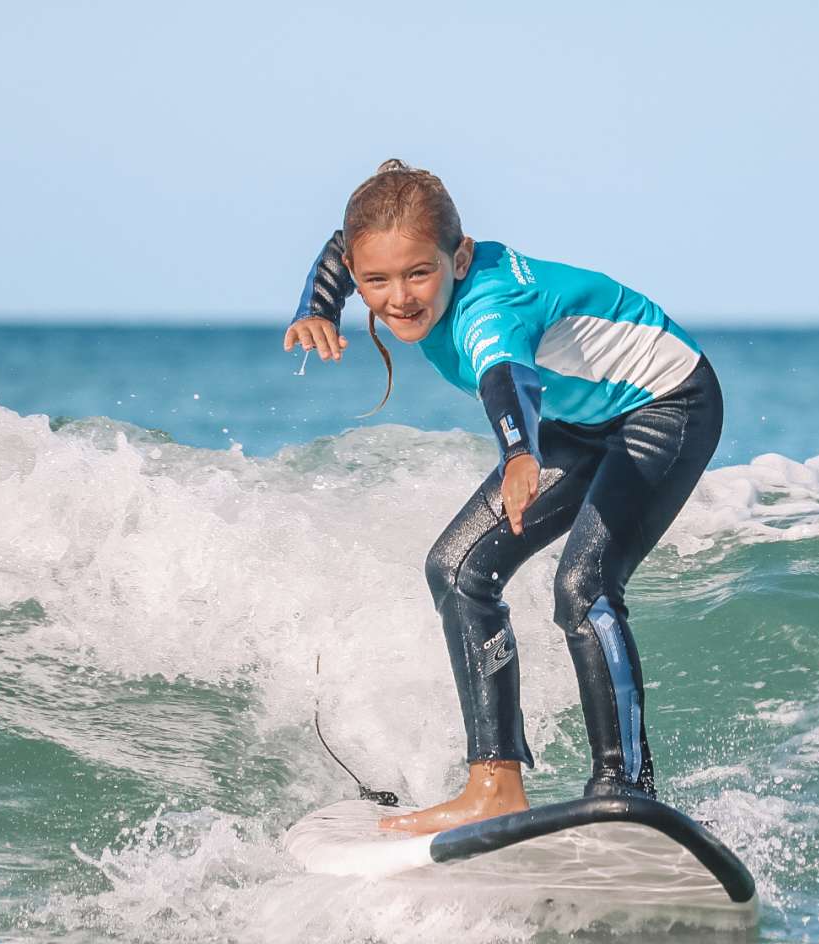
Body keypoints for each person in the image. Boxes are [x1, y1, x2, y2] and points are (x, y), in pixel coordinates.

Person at [284, 160, 723, 835]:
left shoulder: (488, 306)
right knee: (458, 572)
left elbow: (504, 377)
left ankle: (627, 790)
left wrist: (519, 452)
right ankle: (494, 784)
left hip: (667, 403)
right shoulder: (382, 263)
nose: (398, 298)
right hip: (583, 421)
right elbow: (344, 252)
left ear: (459, 258)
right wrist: (318, 304)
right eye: (377, 281)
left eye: (418, 274)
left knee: (585, 587)